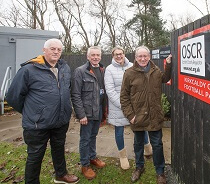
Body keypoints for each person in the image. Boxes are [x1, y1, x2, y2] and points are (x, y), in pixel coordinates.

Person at [6, 38, 79, 184]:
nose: (56, 52)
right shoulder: (29, 69)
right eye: (52, 48)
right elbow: (13, 97)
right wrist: (32, 112)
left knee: (58, 149)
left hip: (60, 120)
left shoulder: (64, 67)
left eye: (59, 49)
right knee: (35, 155)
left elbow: (66, 90)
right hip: (37, 124)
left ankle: (61, 174)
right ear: (44, 50)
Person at [120, 46, 172, 184]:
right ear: (135, 58)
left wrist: (169, 64)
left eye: (145, 56)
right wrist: (130, 115)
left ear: (149, 57)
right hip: (137, 117)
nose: (143, 59)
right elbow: (124, 96)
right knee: (138, 144)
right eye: (140, 56)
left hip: (154, 115)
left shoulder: (156, 71)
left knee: (157, 145)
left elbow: (165, 78)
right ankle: (139, 167)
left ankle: (160, 172)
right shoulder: (129, 73)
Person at [104, 46, 153, 170]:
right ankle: (123, 156)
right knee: (119, 131)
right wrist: (124, 105)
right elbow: (110, 91)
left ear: (124, 54)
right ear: (113, 56)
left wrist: (135, 104)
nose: (119, 56)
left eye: (121, 53)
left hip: (135, 105)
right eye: (116, 54)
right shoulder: (109, 70)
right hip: (118, 107)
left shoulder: (132, 65)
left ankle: (147, 148)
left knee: (141, 127)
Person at [71, 46, 107, 180]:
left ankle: (92, 158)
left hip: (98, 111)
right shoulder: (80, 71)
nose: (96, 57)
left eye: (98, 55)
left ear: (101, 56)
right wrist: (81, 114)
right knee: (85, 139)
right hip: (86, 113)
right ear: (88, 56)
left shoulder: (103, 70)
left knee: (93, 136)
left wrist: (104, 112)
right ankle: (85, 165)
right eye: (93, 55)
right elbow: (75, 94)